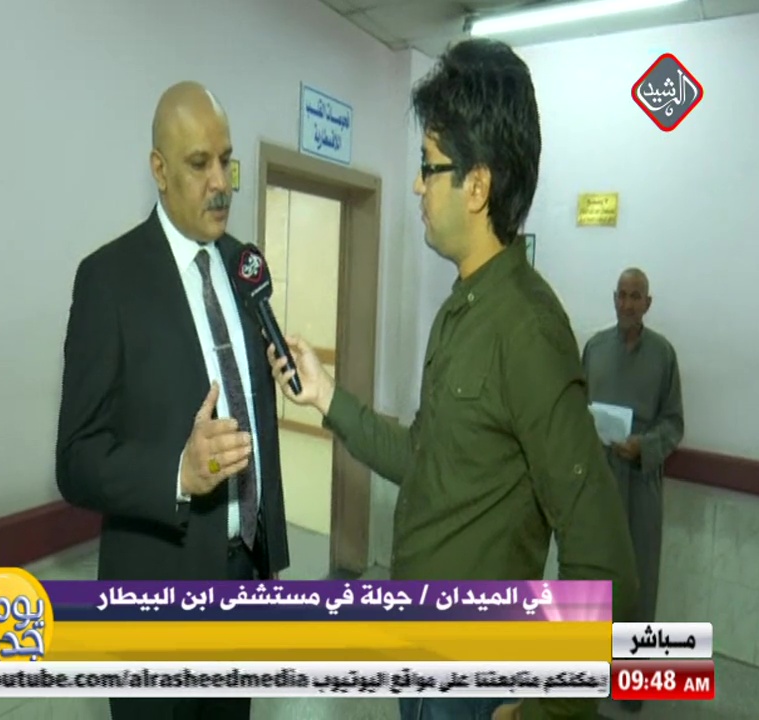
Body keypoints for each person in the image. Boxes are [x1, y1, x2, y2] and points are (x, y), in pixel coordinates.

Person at [267, 39, 637, 720]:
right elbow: (424, 460)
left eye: (427, 166)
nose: (417, 185)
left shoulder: (527, 329)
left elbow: (601, 552)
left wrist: (549, 707)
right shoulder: (461, 309)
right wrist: (326, 396)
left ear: (477, 185)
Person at [55, 81, 290, 720]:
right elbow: (75, 460)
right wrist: (177, 474)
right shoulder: (108, 279)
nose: (220, 182)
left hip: (243, 582)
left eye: (226, 160)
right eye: (198, 163)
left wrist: (269, 557)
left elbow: (255, 412)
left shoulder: (244, 266)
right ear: (159, 170)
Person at [581, 268, 683, 714]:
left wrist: (645, 446)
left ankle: (632, 680)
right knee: (592, 574)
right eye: (621, 295)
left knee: (639, 580)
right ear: (614, 298)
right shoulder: (594, 349)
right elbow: (576, 410)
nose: (627, 303)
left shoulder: (663, 356)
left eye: (635, 296)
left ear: (648, 303)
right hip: (599, 479)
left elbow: (674, 423)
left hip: (641, 481)